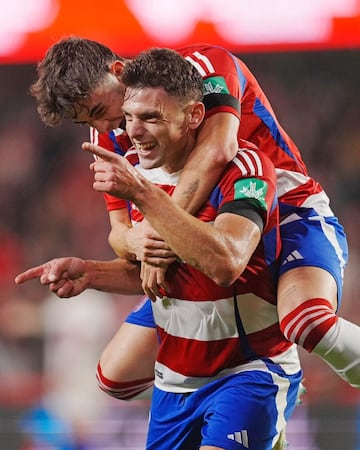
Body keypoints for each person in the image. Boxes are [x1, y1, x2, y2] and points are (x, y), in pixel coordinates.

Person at [28, 37, 360, 396]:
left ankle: (263, 397)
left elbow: (218, 149)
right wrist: (135, 242)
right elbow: (119, 232)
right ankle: (242, 408)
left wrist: (157, 231)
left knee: (307, 323)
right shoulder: (108, 135)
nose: (106, 127)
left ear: (118, 72)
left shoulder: (205, 67)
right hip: (197, 238)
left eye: (97, 109)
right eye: (86, 122)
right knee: (115, 378)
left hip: (286, 210)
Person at [17, 47, 302, 450]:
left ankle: (287, 394)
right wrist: (95, 270)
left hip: (246, 367)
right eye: (128, 119)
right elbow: (124, 242)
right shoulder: (127, 158)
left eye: (149, 117)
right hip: (177, 379)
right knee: (111, 377)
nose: (119, 128)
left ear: (192, 115)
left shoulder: (243, 165)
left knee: (313, 321)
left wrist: (151, 215)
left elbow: (224, 263)